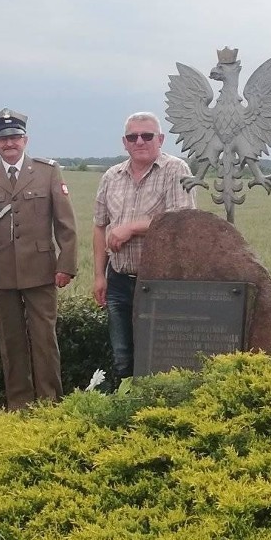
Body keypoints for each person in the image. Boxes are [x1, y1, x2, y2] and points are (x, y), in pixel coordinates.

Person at [0, 108, 78, 410]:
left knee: (44, 340)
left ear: (25, 139)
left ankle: (49, 403)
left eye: (14, 137)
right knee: (10, 342)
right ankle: (19, 404)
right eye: (3, 139)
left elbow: (66, 225)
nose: (9, 143)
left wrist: (66, 265)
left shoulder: (47, 171)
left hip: (42, 271)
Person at [92, 111, 196, 388]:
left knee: (161, 357)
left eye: (147, 135)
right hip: (119, 279)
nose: (140, 141)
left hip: (161, 283)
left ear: (160, 139)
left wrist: (132, 227)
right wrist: (99, 276)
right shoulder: (111, 176)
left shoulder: (176, 170)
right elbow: (99, 226)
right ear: (124, 142)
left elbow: (181, 221)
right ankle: (128, 411)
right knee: (122, 356)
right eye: (132, 136)